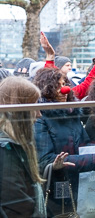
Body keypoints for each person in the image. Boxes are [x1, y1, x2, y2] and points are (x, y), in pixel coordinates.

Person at [32, 67, 95, 216]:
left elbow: (83, 146)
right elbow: (45, 160)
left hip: (78, 184)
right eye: (57, 86)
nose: (63, 90)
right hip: (55, 187)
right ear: (46, 90)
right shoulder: (40, 119)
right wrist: (93, 158)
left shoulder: (71, 114)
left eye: (64, 84)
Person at [0, 77, 51, 218]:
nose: (39, 114)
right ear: (19, 110)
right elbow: (16, 203)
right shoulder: (6, 148)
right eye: (34, 106)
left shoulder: (12, 144)